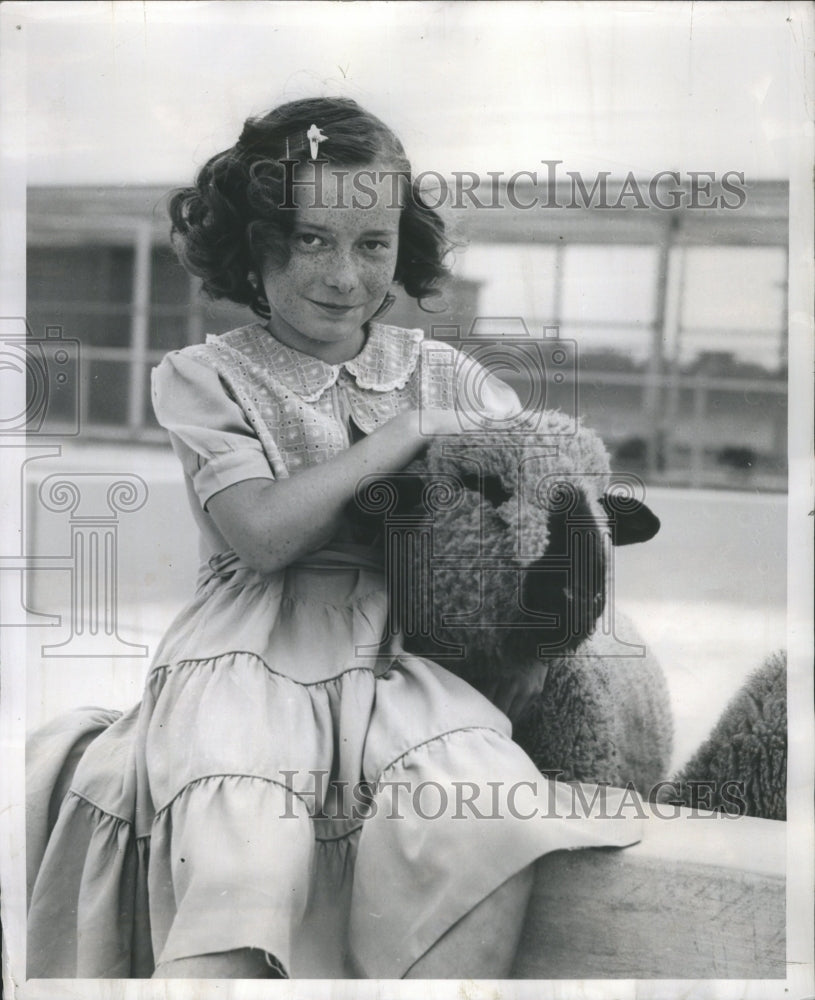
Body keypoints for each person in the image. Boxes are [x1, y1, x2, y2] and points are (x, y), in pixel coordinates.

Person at [26, 96, 640, 980]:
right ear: (254, 242)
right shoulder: (205, 377)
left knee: (486, 819)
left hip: (405, 657)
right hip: (251, 655)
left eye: (371, 243)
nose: (345, 275)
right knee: (245, 852)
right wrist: (403, 436)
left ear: (401, 247)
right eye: (311, 239)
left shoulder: (445, 372)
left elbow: (524, 501)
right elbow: (263, 535)